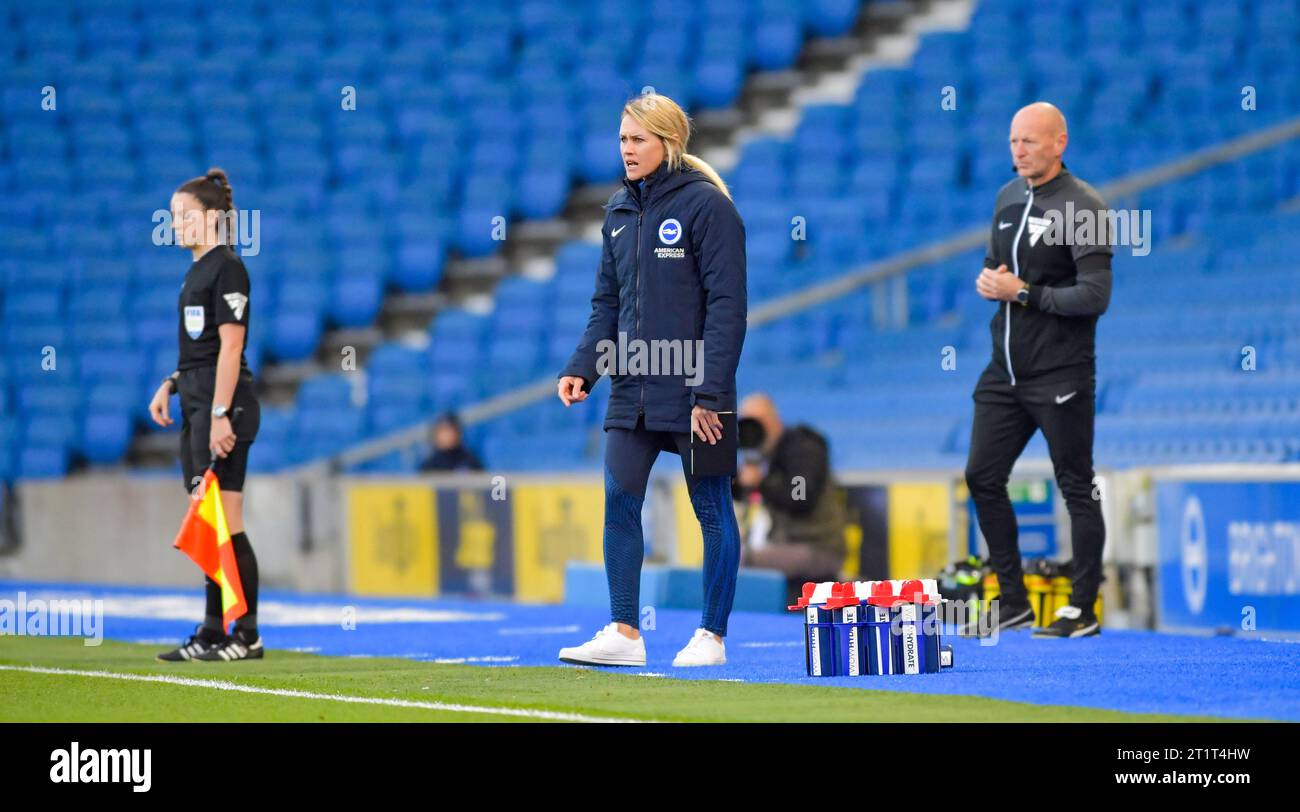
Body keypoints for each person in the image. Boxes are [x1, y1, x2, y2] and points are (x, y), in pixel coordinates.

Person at [555, 92, 746, 667]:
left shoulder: (708, 208)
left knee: (711, 510)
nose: (627, 150)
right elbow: (606, 306)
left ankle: (711, 637)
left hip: (695, 391)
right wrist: (583, 366)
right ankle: (624, 633)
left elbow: (728, 308)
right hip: (633, 387)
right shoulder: (617, 211)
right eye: (622, 139)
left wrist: (709, 394)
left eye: (638, 139)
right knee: (618, 499)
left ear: (668, 142)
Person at [966, 102, 1112, 639]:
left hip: (1060, 374)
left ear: (1059, 142)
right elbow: (995, 265)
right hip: (1003, 371)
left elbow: (1096, 295)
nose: (1019, 150)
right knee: (982, 476)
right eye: (1013, 142)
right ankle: (1013, 600)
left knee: (1076, 486)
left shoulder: (1083, 206)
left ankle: (1083, 608)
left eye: (1030, 141)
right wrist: (990, 281)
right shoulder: (1006, 199)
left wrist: (1022, 293)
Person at [150, 168, 264, 661]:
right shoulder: (196, 270)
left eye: (184, 216)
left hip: (225, 406)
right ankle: (214, 629)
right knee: (210, 520)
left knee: (227, 520)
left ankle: (247, 633)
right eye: (173, 217)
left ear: (213, 218)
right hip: (198, 403)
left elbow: (231, 346)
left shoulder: (228, 268)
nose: (175, 224)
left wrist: (220, 415)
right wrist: (171, 383)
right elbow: (200, 349)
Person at [732, 394, 845, 595]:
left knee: (739, 559)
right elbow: (740, 495)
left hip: (817, 548)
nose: (752, 431)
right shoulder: (765, 454)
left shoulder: (802, 449)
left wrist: (761, 482)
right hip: (785, 546)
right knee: (728, 554)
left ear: (775, 421)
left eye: (757, 423)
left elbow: (800, 498)